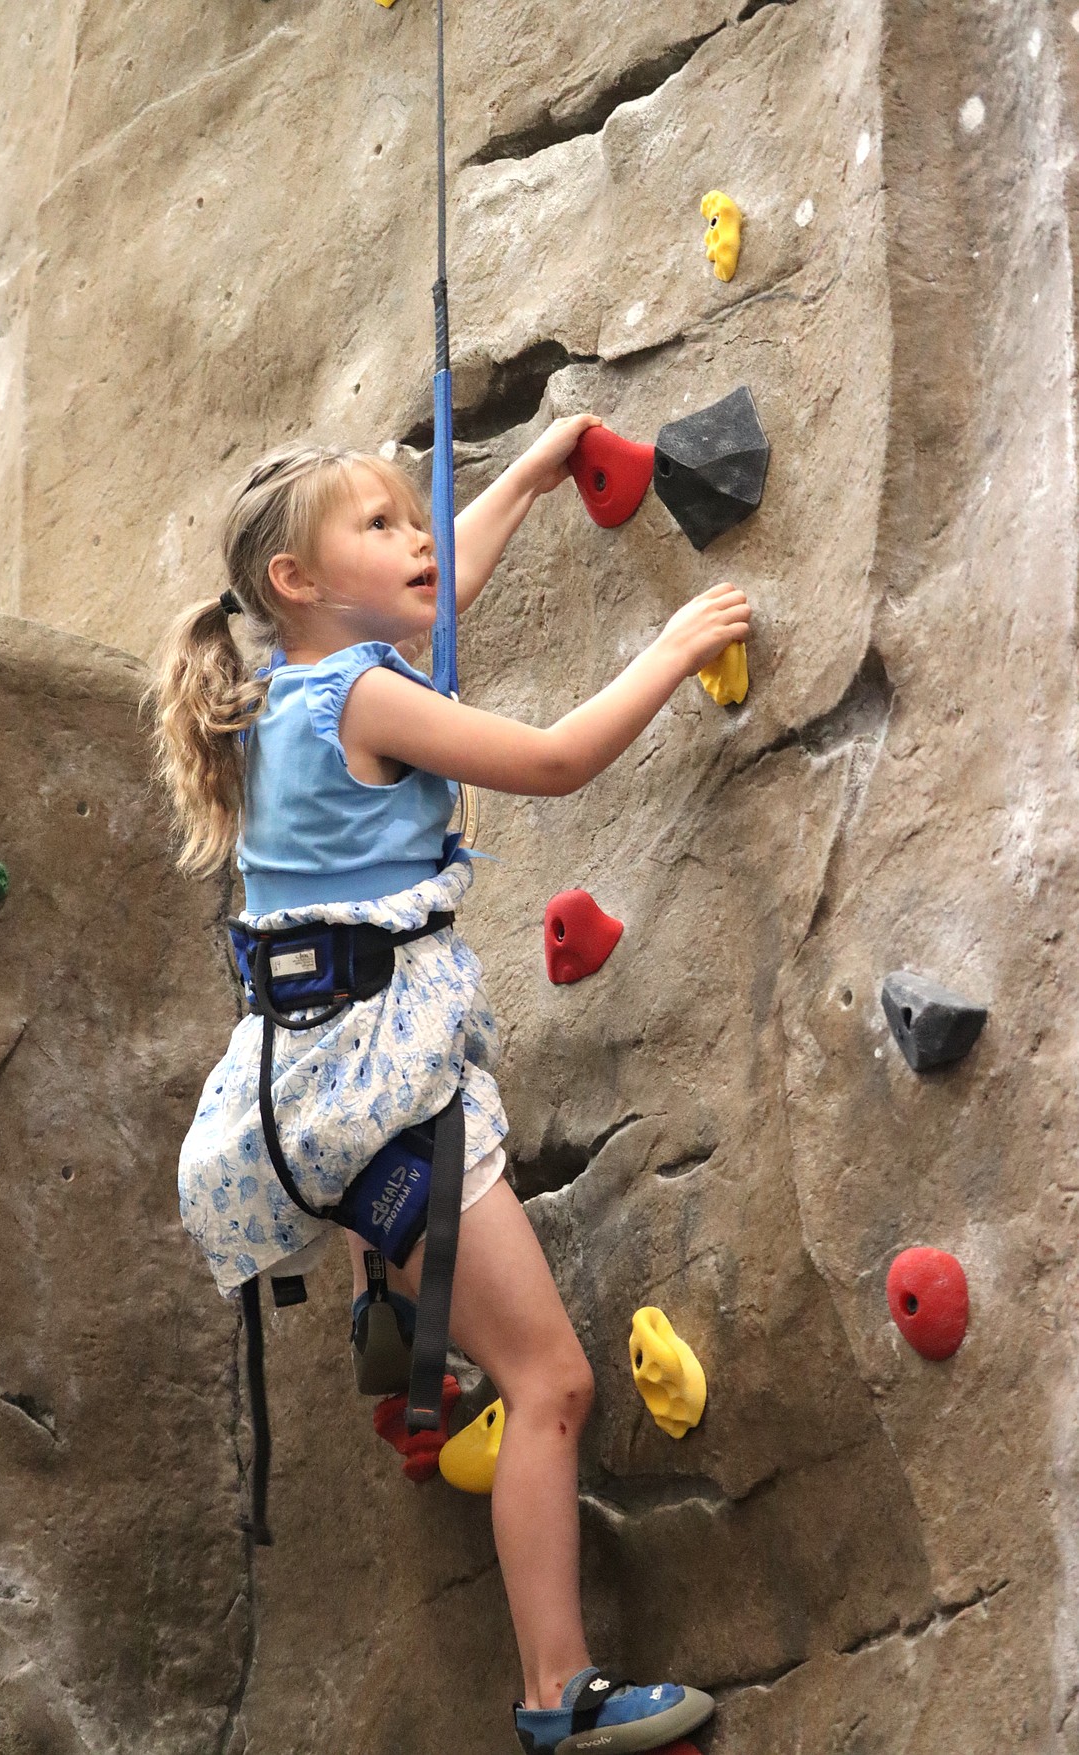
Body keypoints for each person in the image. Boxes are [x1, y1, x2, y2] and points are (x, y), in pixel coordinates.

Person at [149, 416, 750, 1754]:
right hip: (383, 1088)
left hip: (320, 1088)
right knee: (554, 1385)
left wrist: (529, 475)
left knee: (497, 1336)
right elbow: (544, 762)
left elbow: (437, 600)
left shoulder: (287, 697)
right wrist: (669, 648)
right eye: (382, 524)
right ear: (298, 583)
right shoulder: (361, 698)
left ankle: (389, 1301)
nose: (420, 537)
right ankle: (557, 1698)